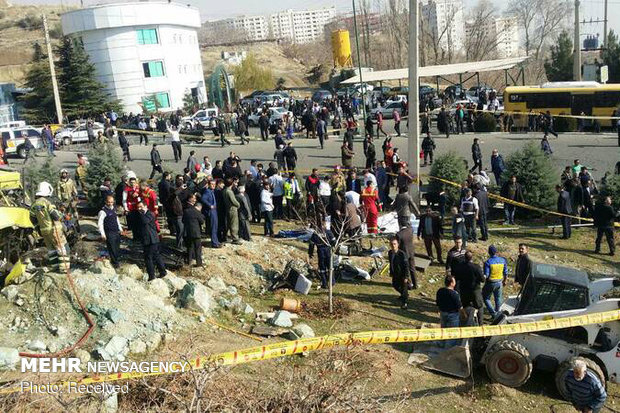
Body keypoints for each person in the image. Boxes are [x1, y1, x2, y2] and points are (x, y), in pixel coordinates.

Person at [30, 182, 70, 271]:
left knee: (51, 249)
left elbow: (32, 219)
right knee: (62, 247)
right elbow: (55, 216)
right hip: (54, 230)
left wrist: (38, 228)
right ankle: (64, 269)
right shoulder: (47, 203)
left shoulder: (34, 204)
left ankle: (54, 267)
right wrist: (63, 215)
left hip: (44, 231)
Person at [137, 201, 166, 280]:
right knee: (156, 256)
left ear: (145, 206)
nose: (139, 209)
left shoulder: (149, 214)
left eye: (141, 207)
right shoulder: (143, 214)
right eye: (138, 207)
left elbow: (145, 221)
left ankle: (152, 276)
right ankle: (162, 272)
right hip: (148, 239)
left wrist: (141, 213)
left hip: (151, 239)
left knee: (148, 258)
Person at [456, 251, 485, 326]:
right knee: (479, 306)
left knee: (466, 307)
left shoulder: (460, 266)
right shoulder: (476, 267)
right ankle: (481, 323)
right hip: (475, 290)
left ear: (464, 258)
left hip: (464, 290)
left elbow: (457, 277)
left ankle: (466, 323)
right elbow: (482, 279)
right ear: (472, 258)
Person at [435, 275, 464, 346]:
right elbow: (459, 306)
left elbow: (438, 302)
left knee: (443, 329)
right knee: (452, 332)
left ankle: (441, 343)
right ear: (451, 283)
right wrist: (464, 315)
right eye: (454, 281)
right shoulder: (454, 294)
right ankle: (449, 348)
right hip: (453, 315)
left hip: (443, 313)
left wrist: (439, 310)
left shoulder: (440, 291)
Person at [482, 245, 507, 319]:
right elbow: (505, 272)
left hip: (491, 283)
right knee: (498, 298)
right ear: (496, 252)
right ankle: (498, 313)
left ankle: (493, 313)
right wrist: (505, 280)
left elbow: (486, 274)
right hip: (499, 282)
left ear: (489, 252)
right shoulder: (503, 260)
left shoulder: (488, 262)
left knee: (486, 298)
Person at [308, 222, 333, 289]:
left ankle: (324, 284)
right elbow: (334, 241)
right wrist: (334, 249)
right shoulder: (328, 232)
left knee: (322, 268)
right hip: (328, 250)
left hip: (321, 251)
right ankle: (332, 282)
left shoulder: (315, 234)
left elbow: (311, 244)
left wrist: (310, 253)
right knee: (330, 266)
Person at [183, 194, 205, 267]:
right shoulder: (196, 211)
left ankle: (189, 262)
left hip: (188, 232)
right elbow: (202, 221)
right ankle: (199, 263)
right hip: (196, 232)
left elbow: (183, 220)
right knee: (198, 248)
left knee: (189, 248)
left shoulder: (186, 211)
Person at [388, 237, 410, 309]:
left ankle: (405, 302)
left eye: (394, 244)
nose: (393, 245)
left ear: (398, 245)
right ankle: (404, 295)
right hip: (395, 273)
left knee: (404, 288)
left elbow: (406, 266)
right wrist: (391, 271)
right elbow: (391, 263)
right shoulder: (390, 253)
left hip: (402, 274)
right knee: (395, 285)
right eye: (391, 244)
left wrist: (406, 277)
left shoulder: (402, 254)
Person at [201, 180, 221, 248]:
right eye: (212, 184)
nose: (213, 185)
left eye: (214, 184)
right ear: (209, 185)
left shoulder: (212, 191)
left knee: (215, 226)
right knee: (213, 227)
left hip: (214, 210)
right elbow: (203, 199)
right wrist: (210, 205)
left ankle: (216, 241)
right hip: (211, 211)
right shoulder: (207, 191)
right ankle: (214, 243)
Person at [397, 223, 417, 289]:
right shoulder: (410, 230)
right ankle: (415, 284)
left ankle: (408, 284)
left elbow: (398, 245)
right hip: (411, 252)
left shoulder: (399, 234)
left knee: (405, 270)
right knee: (412, 269)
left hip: (404, 254)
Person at [223, 179, 241, 244]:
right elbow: (233, 201)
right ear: (231, 183)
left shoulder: (224, 190)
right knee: (234, 224)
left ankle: (225, 236)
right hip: (232, 209)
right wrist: (238, 205)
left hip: (227, 208)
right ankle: (235, 238)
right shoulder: (229, 191)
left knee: (228, 223)